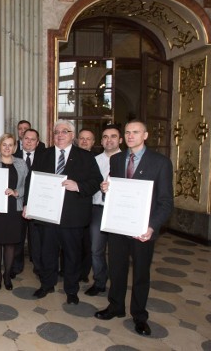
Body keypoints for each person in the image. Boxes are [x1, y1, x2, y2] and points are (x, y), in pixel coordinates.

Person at [95, 120, 173, 337]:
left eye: (135, 132)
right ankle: (115, 306)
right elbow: (115, 192)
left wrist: (152, 226)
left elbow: (166, 202)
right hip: (118, 225)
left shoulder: (160, 162)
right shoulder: (118, 159)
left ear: (145, 135)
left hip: (142, 229)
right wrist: (105, 190)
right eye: (127, 132)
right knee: (117, 268)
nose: (130, 136)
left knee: (140, 273)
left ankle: (139, 316)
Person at [26, 120, 102, 304]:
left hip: (73, 217)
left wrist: (78, 186)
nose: (60, 135)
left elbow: (96, 181)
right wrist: (28, 204)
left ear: (72, 135)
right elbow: (32, 180)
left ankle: (71, 290)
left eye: (64, 131)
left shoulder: (85, 156)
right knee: (47, 253)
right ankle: (47, 284)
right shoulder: (43, 154)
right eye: (57, 132)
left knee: (72, 255)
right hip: (47, 215)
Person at [0, 133, 28, 291]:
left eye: (10, 145)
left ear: (15, 147)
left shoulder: (21, 164)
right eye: (4, 144)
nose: (7, 147)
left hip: (13, 208)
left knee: (10, 244)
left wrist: (17, 192)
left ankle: (7, 274)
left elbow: (27, 185)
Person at [85, 124, 122, 297]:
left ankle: (117, 284)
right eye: (105, 136)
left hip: (119, 211)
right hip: (98, 209)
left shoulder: (127, 160)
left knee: (117, 252)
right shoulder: (94, 160)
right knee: (96, 249)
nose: (109, 140)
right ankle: (100, 282)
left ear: (120, 140)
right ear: (101, 141)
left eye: (113, 136)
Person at [11, 128, 43, 278]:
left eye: (32, 139)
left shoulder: (45, 157)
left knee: (36, 239)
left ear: (37, 142)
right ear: (21, 141)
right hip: (17, 203)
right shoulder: (12, 156)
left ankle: (38, 267)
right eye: (26, 138)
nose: (29, 141)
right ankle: (16, 267)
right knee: (17, 237)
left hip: (37, 205)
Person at [77, 128, 96, 283]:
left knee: (90, 244)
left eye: (88, 139)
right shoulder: (73, 158)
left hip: (96, 207)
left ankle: (84, 273)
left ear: (94, 142)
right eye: (82, 138)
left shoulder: (96, 159)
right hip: (79, 206)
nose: (84, 141)